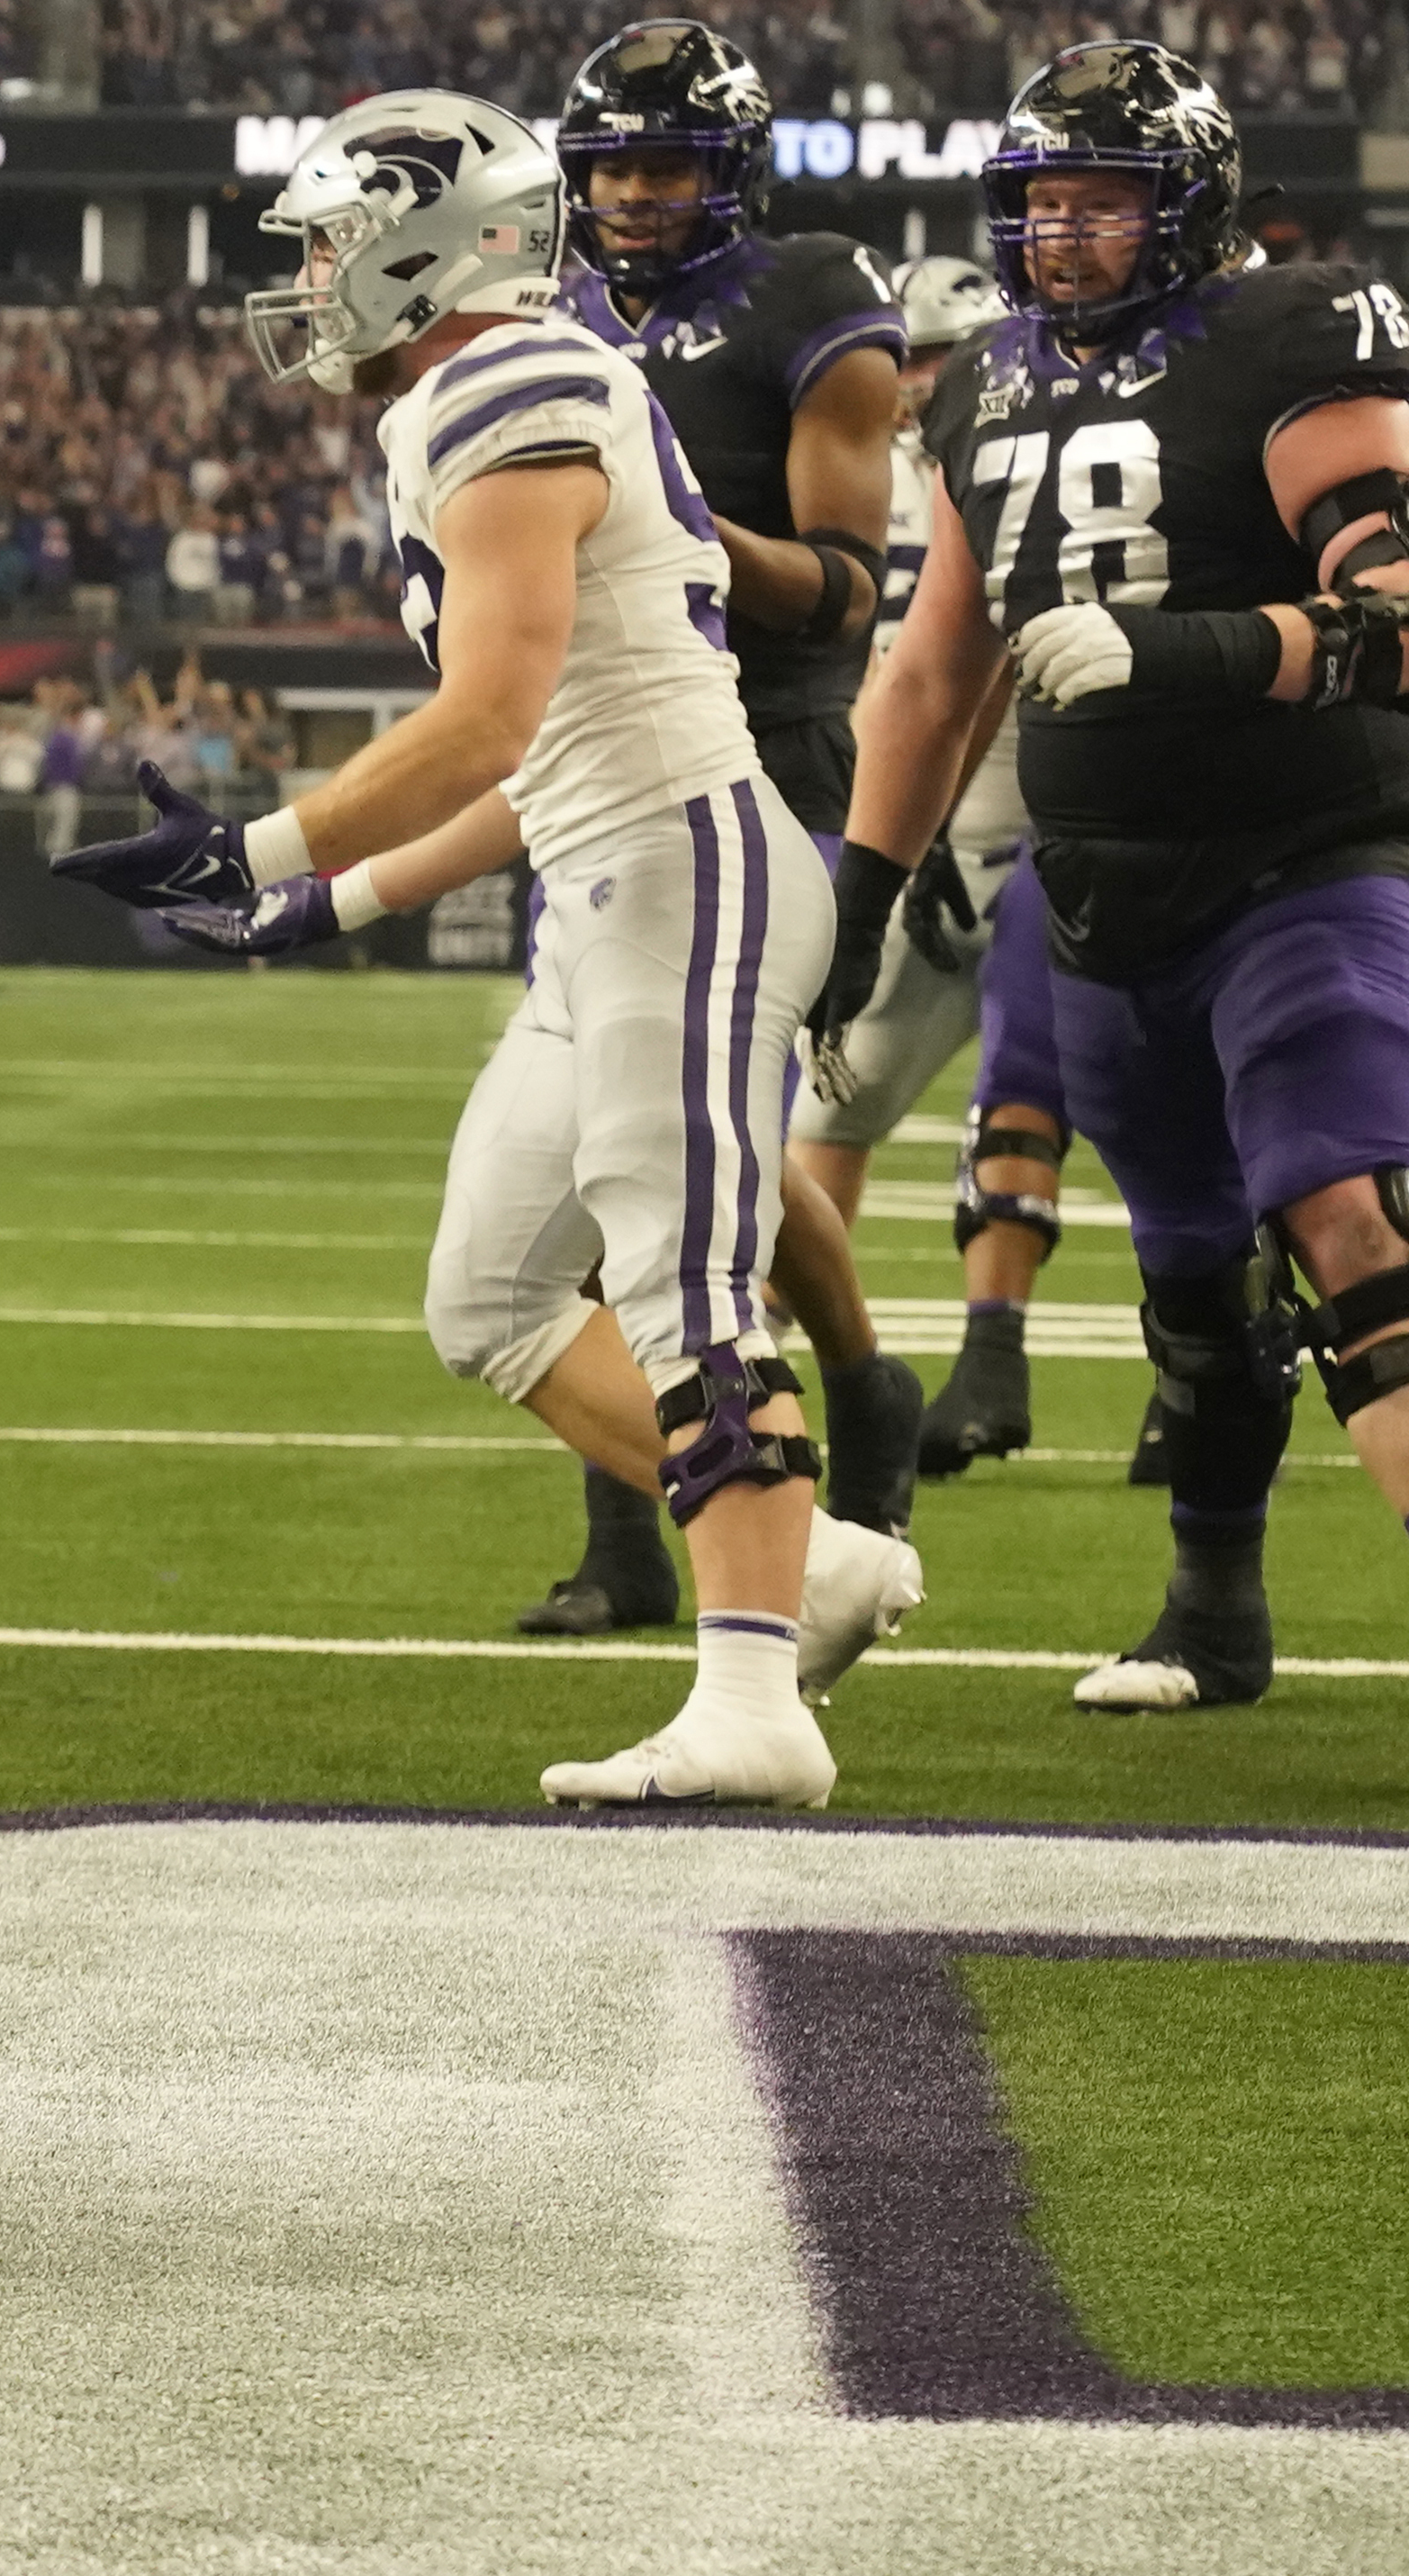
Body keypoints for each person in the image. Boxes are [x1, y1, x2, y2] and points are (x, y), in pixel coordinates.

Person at [60, 90, 922, 1807]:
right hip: (610, 873)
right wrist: (319, 905)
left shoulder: (514, 386)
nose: (306, 280)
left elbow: (486, 715)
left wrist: (261, 843)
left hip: (685, 870)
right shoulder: (478, 395)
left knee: (682, 1281)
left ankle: (754, 1700)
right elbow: (535, 764)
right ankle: (805, 1561)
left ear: (423, 243)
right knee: (492, 1293)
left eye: (325, 244)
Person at [826, 41, 1409, 1766]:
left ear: (1191, 204)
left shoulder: (1294, 337)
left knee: (1347, 1208)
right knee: (1191, 1292)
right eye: (1038, 204)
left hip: (1305, 862)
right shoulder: (979, 386)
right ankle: (1213, 1611)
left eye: (1100, 200)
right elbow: (931, 681)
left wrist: (1192, 648)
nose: (1061, 237)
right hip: (1098, 900)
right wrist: (853, 900)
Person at [508, 16, 926, 1637]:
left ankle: (680, 1519)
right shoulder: (550, 307)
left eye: (663, 161)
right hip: (603, 750)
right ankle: (824, 1410)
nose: (627, 192)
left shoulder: (812, 296)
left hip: (763, 740)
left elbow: (841, 589)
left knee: (682, 1143)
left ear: (730, 169)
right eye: (606, 163)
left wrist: (679, 542)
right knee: (656, 1131)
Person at [786, 253, 1075, 1477]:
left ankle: (1003, 1359)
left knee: (1036, 1094)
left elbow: (990, 658)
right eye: (899, 355)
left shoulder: (1031, 456)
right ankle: (814, 1369)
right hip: (901, 842)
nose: (914, 383)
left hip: (1040, 830)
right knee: (822, 1112)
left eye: (939, 359)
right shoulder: (845, 462)